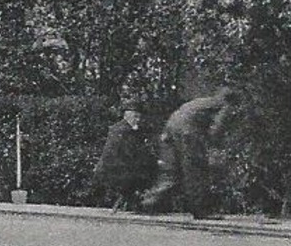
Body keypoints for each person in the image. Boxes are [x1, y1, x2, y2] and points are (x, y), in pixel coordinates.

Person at [141, 86, 240, 219]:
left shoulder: (204, 101)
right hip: (188, 130)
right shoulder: (224, 105)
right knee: (196, 169)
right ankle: (201, 210)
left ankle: (149, 202)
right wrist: (212, 147)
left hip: (171, 125)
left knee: (171, 170)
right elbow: (216, 129)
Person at [89, 100, 157, 211]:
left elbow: (138, 151)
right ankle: (135, 203)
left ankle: (131, 203)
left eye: (139, 117)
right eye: (135, 117)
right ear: (126, 116)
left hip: (119, 167)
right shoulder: (120, 131)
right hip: (113, 170)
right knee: (146, 174)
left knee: (146, 171)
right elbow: (128, 154)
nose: (138, 120)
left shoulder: (130, 130)